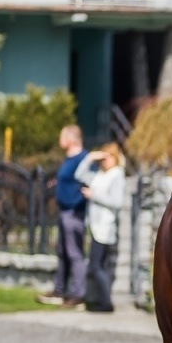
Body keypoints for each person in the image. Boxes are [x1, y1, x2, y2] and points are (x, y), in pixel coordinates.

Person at [41, 123, 88, 307]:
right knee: (62, 252)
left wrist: (76, 203)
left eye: (62, 137)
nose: (60, 141)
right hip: (63, 211)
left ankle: (78, 295)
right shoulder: (69, 159)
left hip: (73, 212)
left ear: (70, 139)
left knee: (74, 253)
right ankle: (59, 290)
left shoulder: (83, 159)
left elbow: (88, 183)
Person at [77, 142, 127, 312]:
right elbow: (80, 174)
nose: (104, 161)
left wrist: (94, 195)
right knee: (100, 266)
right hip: (96, 226)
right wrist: (90, 157)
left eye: (108, 157)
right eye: (103, 158)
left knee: (96, 266)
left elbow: (116, 202)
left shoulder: (117, 175)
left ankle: (106, 303)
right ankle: (101, 301)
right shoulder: (100, 174)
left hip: (105, 228)